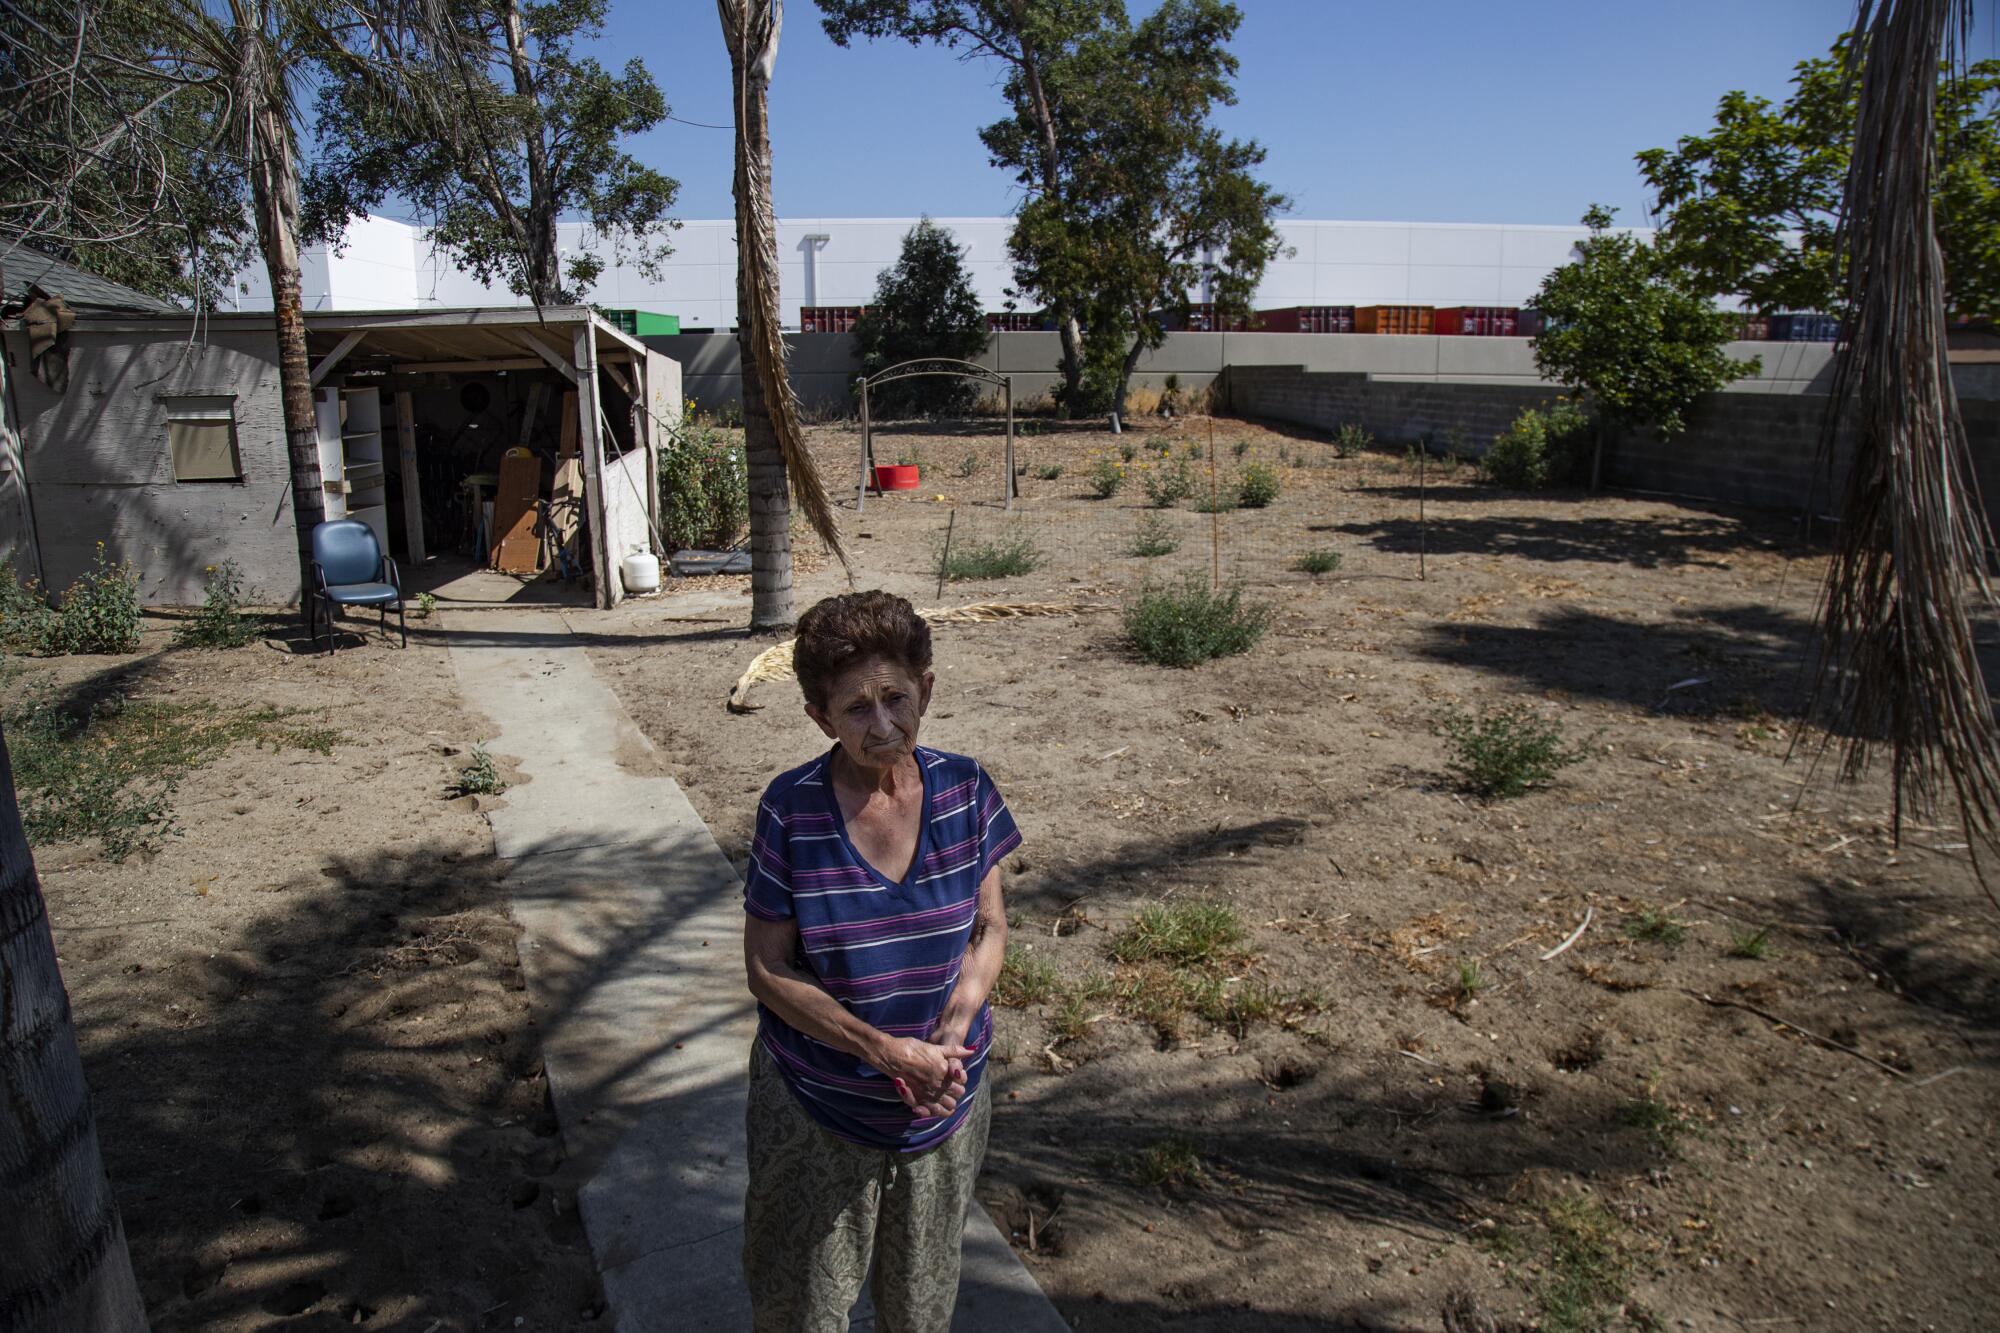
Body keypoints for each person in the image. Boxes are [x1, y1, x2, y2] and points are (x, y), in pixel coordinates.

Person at [741, 590, 1021, 1333]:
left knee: (920, 1308)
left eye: (897, 696)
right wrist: (883, 1050)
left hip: (945, 1109)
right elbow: (768, 969)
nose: (883, 723)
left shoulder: (966, 790)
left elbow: (989, 928)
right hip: (817, 1113)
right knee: (801, 1308)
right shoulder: (790, 810)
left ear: (926, 689)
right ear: (819, 718)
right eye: (856, 707)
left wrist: (953, 1031)